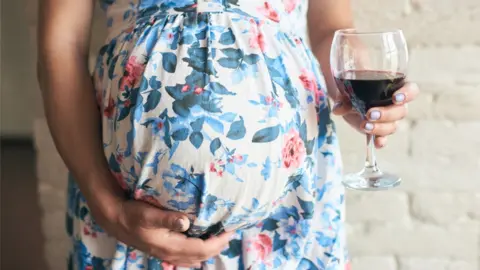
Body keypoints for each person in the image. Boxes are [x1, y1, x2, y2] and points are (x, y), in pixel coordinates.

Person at [37, 0, 419, 269]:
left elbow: (329, 27)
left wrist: (354, 83)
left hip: (289, 202)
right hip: (121, 202)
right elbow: (61, 45)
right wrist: (107, 207)